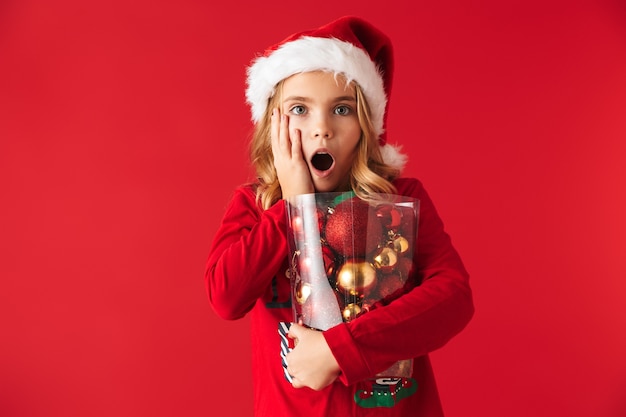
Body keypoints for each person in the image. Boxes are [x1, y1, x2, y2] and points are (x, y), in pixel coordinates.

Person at [205, 16, 474, 416]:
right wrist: (293, 207)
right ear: (272, 124)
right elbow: (226, 297)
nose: (322, 129)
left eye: (342, 109)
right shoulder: (255, 206)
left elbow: (453, 299)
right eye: (299, 109)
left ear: (367, 125)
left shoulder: (401, 199)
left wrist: (339, 350)